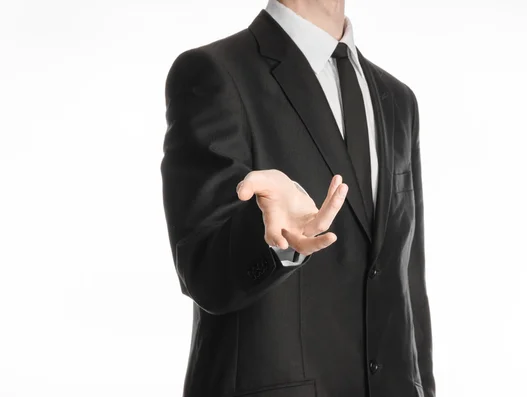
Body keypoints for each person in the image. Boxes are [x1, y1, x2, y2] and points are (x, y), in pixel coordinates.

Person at [160, 0, 435, 396]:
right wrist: (272, 237)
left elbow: (407, 276)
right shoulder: (214, 71)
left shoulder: (398, 100)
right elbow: (201, 270)